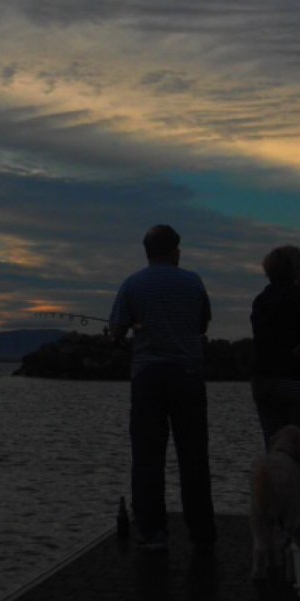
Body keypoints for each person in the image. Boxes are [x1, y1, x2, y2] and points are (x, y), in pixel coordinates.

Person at [109, 224, 216, 551]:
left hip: (147, 377)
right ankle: (201, 532)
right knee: (194, 455)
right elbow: (202, 322)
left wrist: (133, 329)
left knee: (147, 456)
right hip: (187, 375)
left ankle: (153, 532)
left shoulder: (132, 283)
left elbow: (116, 330)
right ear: (174, 251)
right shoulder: (193, 281)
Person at [250, 244, 300, 513]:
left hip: (266, 386)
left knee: (277, 456)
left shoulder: (261, 302)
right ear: (294, 271)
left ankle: (276, 516)